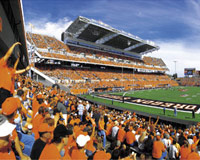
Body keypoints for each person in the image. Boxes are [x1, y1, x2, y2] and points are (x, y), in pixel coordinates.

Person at [0, 42, 31, 107]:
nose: (9, 61)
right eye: (8, 60)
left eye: (10, 60)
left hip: (9, 92)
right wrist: (14, 45)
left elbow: (17, 71)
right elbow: (8, 54)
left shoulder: (11, 70)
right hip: (2, 91)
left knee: (5, 107)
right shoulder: (2, 65)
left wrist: (26, 69)